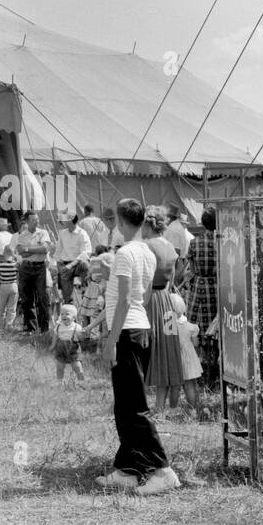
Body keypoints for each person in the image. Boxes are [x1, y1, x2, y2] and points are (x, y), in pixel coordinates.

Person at [97, 199, 179, 496]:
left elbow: (122, 301)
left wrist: (110, 341)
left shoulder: (124, 254)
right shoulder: (146, 252)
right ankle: (128, 469)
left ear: (120, 222)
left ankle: (162, 469)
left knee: (134, 406)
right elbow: (141, 297)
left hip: (126, 331)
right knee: (125, 403)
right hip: (140, 327)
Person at [143, 206, 187, 412]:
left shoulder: (146, 246)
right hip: (167, 301)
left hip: (150, 299)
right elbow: (174, 275)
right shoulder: (170, 246)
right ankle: (162, 405)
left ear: (147, 225)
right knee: (166, 351)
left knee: (147, 350)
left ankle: (145, 404)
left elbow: (147, 280)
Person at [187, 208, 219, 388]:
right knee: (213, 329)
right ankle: (214, 371)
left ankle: (198, 370)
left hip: (199, 286)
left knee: (195, 326)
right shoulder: (220, 241)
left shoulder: (194, 243)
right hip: (215, 287)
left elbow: (191, 270)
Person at [11, 211, 54, 334]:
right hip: (26, 268)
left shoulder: (43, 233)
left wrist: (27, 249)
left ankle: (44, 329)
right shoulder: (21, 235)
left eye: (37, 219)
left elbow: (45, 249)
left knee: (43, 298)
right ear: (27, 222)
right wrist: (37, 249)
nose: (37, 221)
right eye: (34, 220)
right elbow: (20, 252)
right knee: (26, 299)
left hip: (40, 268)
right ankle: (31, 327)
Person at [168, 291, 203, 409]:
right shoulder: (190, 326)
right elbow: (196, 343)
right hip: (189, 359)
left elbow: (167, 341)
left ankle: (173, 408)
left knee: (175, 386)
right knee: (190, 385)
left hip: (175, 358)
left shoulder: (169, 325)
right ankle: (192, 409)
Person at [55, 211, 93, 303]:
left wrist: (71, 265)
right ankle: (68, 305)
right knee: (67, 297)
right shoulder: (62, 233)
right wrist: (57, 265)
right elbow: (58, 251)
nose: (62, 220)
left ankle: (86, 291)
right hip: (65, 266)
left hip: (77, 265)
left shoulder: (82, 233)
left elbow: (86, 252)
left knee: (84, 264)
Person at [51, 303, 86, 384]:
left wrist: (82, 334)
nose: (63, 316)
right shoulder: (58, 326)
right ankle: (60, 382)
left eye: (67, 314)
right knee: (59, 367)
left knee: (77, 366)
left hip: (73, 350)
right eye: (62, 314)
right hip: (61, 350)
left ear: (74, 317)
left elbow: (81, 339)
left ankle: (82, 382)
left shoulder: (77, 327)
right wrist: (53, 345)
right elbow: (55, 336)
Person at [0, 245, 19, 328]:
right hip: (13, 285)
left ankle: (0, 325)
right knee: (12, 307)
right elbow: (18, 275)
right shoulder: (15, 264)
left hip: (4, 285)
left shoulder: (0, 264)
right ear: (13, 254)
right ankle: (9, 325)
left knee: (2, 306)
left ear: (4, 253)